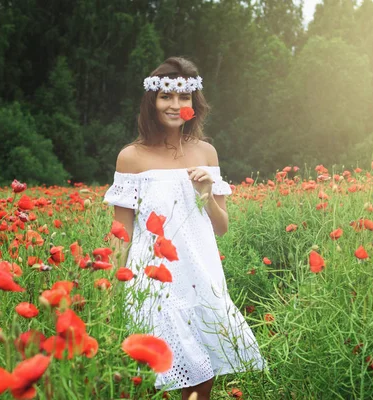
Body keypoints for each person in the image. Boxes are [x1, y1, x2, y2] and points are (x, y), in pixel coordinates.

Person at [104, 56, 266, 400]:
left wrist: (207, 193)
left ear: (194, 103)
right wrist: (108, 290)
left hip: (201, 276)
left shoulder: (207, 153)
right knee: (165, 377)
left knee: (203, 379)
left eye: (184, 97)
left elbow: (221, 227)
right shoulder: (131, 157)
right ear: (152, 102)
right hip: (154, 282)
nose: (175, 105)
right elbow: (121, 233)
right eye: (166, 97)